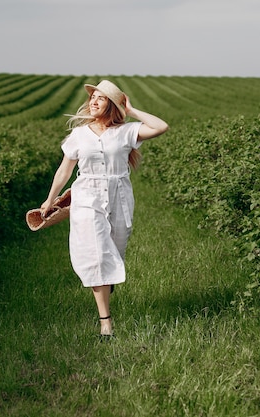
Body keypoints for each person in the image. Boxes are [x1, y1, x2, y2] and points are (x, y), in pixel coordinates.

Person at [40, 80, 168, 337]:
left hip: (119, 195)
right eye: (92, 97)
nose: (94, 101)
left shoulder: (126, 132)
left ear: (112, 105)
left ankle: (106, 286)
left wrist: (131, 111)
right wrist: (49, 199)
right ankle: (105, 322)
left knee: (115, 250)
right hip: (87, 195)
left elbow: (161, 126)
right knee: (97, 253)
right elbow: (64, 170)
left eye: (101, 98)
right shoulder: (79, 135)